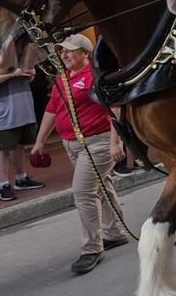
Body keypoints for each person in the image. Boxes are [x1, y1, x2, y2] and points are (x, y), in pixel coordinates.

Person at [31, 33, 131, 275]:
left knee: (84, 191)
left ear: (85, 53)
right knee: (102, 185)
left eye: (69, 50)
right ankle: (115, 232)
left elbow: (115, 109)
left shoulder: (96, 77)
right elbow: (52, 109)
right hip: (71, 145)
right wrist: (39, 142)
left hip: (97, 143)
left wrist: (115, 142)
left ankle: (91, 248)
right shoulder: (62, 78)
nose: (64, 54)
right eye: (62, 51)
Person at [0, 63, 46, 201]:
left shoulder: (17, 54)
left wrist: (30, 74)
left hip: (23, 106)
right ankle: (4, 185)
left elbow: (26, 79)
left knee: (19, 144)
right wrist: (12, 74)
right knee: (2, 148)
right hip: (3, 110)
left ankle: (21, 179)